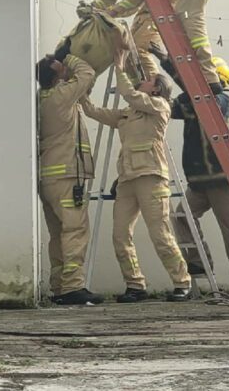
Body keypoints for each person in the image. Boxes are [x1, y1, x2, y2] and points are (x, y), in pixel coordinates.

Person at [81, 48, 192, 303]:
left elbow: (130, 94)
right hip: (128, 179)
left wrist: (119, 67)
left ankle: (182, 282)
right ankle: (135, 285)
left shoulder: (159, 106)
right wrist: (82, 94)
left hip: (151, 176)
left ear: (155, 89)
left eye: (148, 79)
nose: (142, 80)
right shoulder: (128, 113)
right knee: (120, 235)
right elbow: (96, 112)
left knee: (160, 233)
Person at [151, 44, 229, 298]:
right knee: (181, 217)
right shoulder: (192, 101)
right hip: (198, 182)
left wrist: (168, 62)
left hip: (221, 180)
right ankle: (199, 263)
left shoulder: (221, 101)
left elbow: (200, 101)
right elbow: (168, 108)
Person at [37, 47, 104, 306]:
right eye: (61, 71)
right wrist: (66, 57)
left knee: (59, 235)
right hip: (67, 177)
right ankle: (73, 287)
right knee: (75, 231)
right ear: (55, 76)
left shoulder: (44, 99)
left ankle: (59, 286)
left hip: (50, 179)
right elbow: (86, 73)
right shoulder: (61, 96)